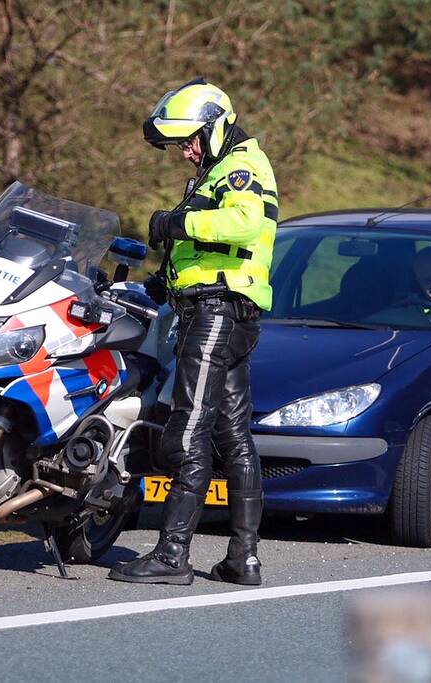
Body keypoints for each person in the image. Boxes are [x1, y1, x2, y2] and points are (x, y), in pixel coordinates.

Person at [108, 78, 278, 586]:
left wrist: (178, 224)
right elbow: (212, 249)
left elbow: (245, 224)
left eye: (189, 139)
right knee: (232, 435)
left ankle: (172, 555)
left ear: (216, 126)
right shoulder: (218, 169)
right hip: (220, 309)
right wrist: (165, 280)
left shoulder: (242, 167)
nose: (183, 150)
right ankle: (243, 558)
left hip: (217, 313)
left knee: (187, 431)